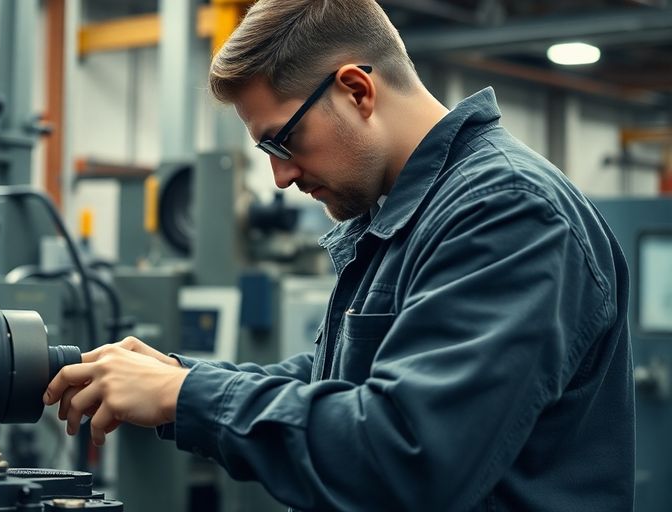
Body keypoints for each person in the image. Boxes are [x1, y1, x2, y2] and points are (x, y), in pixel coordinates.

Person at [44, 0, 635, 510]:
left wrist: (184, 396)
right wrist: (181, 379)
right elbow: (344, 382)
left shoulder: (508, 212)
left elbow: (410, 454)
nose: (279, 177)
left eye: (284, 140)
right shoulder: (409, 211)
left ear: (356, 90)